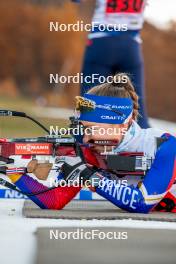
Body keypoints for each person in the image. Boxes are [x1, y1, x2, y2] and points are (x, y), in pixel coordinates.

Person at [6, 74, 176, 213]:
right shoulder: (93, 151)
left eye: (92, 129)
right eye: (84, 130)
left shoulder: (164, 145)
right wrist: (12, 169)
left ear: (122, 122)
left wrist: (89, 176)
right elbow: (54, 200)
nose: (86, 139)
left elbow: (141, 203)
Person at [72, 0, 149, 128]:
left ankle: (82, 142)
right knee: (138, 108)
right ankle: (145, 143)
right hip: (131, 46)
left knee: (89, 104)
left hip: (101, 42)